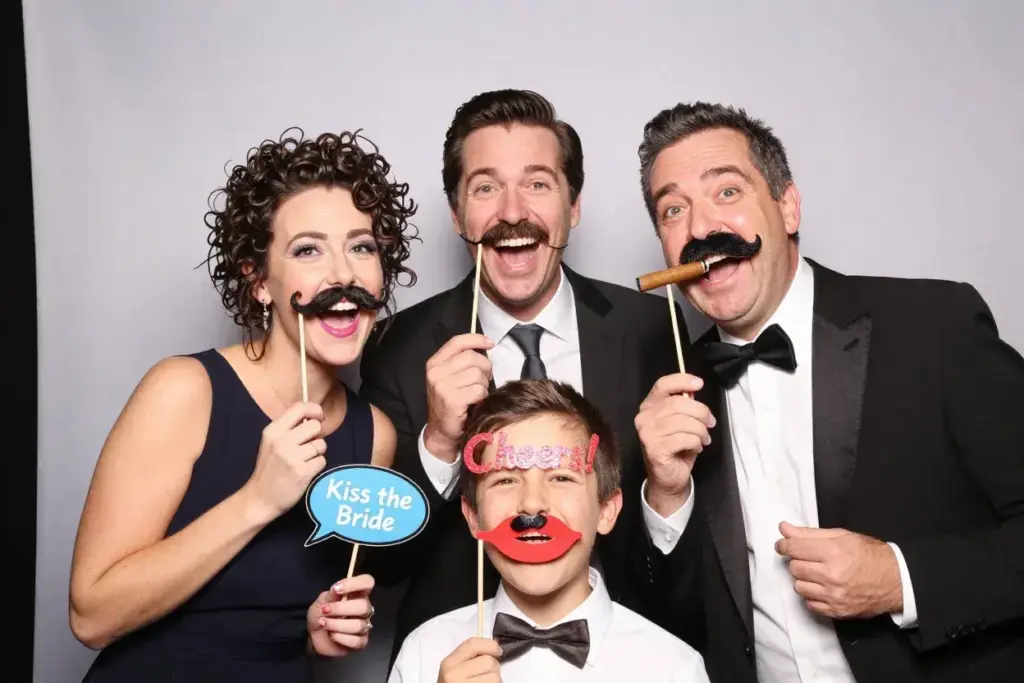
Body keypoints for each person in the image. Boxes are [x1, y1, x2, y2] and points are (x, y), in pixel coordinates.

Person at [630, 101, 1024, 682]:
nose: (700, 229)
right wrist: (666, 495)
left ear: (788, 207)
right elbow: (673, 620)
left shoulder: (932, 324)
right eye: (673, 210)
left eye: (727, 192)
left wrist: (901, 579)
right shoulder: (671, 390)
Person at [68, 128, 419, 682]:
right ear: (258, 280)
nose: (344, 275)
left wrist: (316, 627)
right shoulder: (185, 390)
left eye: (362, 246)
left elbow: (266, 612)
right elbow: (91, 616)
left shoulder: (373, 434)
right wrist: (258, 499)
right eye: (308, 250)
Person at [357, 88, 689, 667]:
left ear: (572, 206)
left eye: (537, 184)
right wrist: (439, 444)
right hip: (456, 662)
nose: (512, 213)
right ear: (457, 214)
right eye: (486, 188)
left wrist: (667, 492)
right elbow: (379, 565)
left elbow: (696, 543)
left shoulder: (653, 327)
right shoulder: (396, 345)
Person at [389, 379, 710, 682]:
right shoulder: (423, 652)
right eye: (505, 480)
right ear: (473, 517)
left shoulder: (673, 667)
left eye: (560, 478)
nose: (532, 504)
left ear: (606, 510)